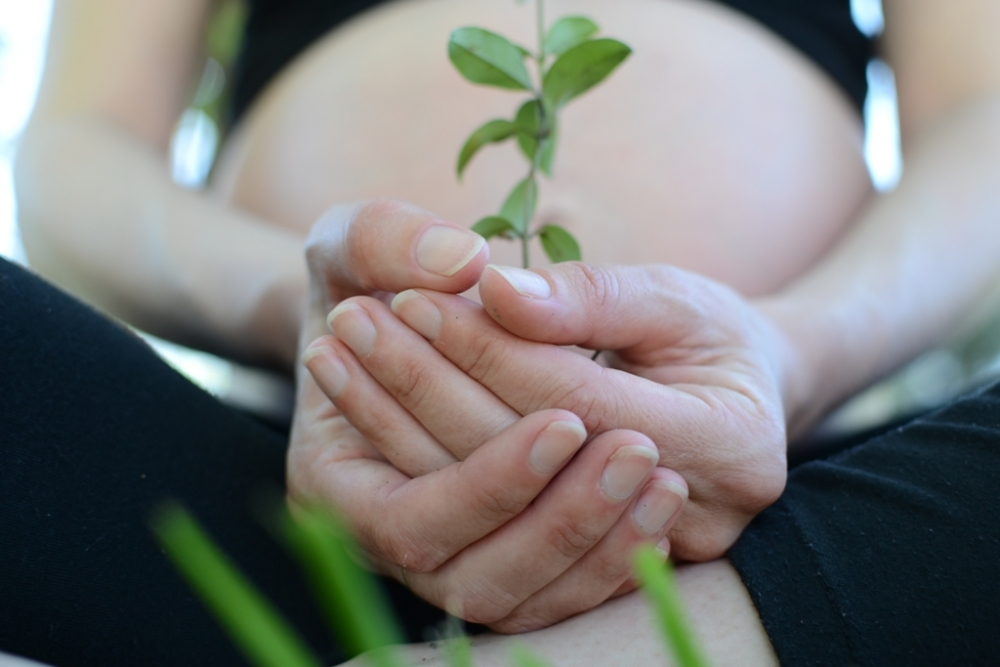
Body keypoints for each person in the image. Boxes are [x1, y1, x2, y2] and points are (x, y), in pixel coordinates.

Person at [5, 0, 1000, 664]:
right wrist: (323, 323)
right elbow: (78, 147)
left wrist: (791, 355)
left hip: (807, 509)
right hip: (285, 502)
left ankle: (684, 632)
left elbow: (981, 120)